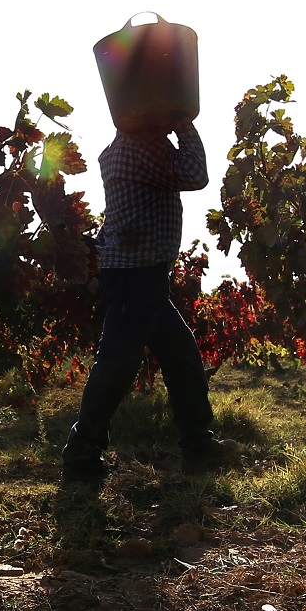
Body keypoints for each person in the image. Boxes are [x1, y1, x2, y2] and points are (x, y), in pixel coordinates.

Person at [60, 116, 237, 487]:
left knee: (182, 358)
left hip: (142, 272)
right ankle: (81, 455)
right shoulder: (139, 147)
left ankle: (198, 445)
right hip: (134, 273)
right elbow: (195, 175)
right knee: (118, 363)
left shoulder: (133, 146)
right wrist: (183, 124)